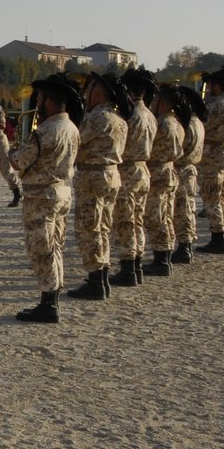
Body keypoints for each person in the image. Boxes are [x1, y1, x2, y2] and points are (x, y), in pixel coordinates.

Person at [9, 74, 81, 323]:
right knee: (55, 246)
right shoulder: (71, 126)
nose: (36, 102)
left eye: (38, 98)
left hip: (41, 195)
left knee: (41, 248)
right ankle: (52, 297)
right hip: (62, 190)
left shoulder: (46, 130)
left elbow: (19, 162)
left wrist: (11, 149)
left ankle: (48, 303)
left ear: (49, 102)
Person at [67, 71, 128, 301]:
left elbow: (76, 141)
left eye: (90, 89)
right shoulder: (118, 118)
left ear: (99, 92)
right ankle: (101, 275)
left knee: (88, 228)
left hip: (93, 177)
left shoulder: (97, 118)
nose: (86, 93)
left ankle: (95, 279)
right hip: (110, 175)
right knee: (102, 227)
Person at [111, 68, 158, 287]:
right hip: (143, 170)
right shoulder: (149, 114)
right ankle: (136, 263)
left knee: (126, 222)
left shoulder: (130, 114)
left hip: (128, 170)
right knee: (137, 220)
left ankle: (128, 268)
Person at [195, 67, 224, 255]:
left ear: (219, 86)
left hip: (213, 154)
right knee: (221, 196)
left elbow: (204, 125)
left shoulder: (217, 106)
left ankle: (217, 237)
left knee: (211, 196)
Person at [142, 84, 185, 276]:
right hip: (169, 171)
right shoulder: (176, 122)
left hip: (158, 172)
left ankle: (161, 260)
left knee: (156, 217)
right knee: (166, 216)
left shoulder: (162, 123)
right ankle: (165, 255)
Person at [171, 85, 207, 264]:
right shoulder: (197, 121)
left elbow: (177, 150)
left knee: (182, 210)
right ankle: (186, 244)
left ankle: (184, 247)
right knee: (188, 208)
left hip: (183, 168)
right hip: (190, 169)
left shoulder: (187, 125)